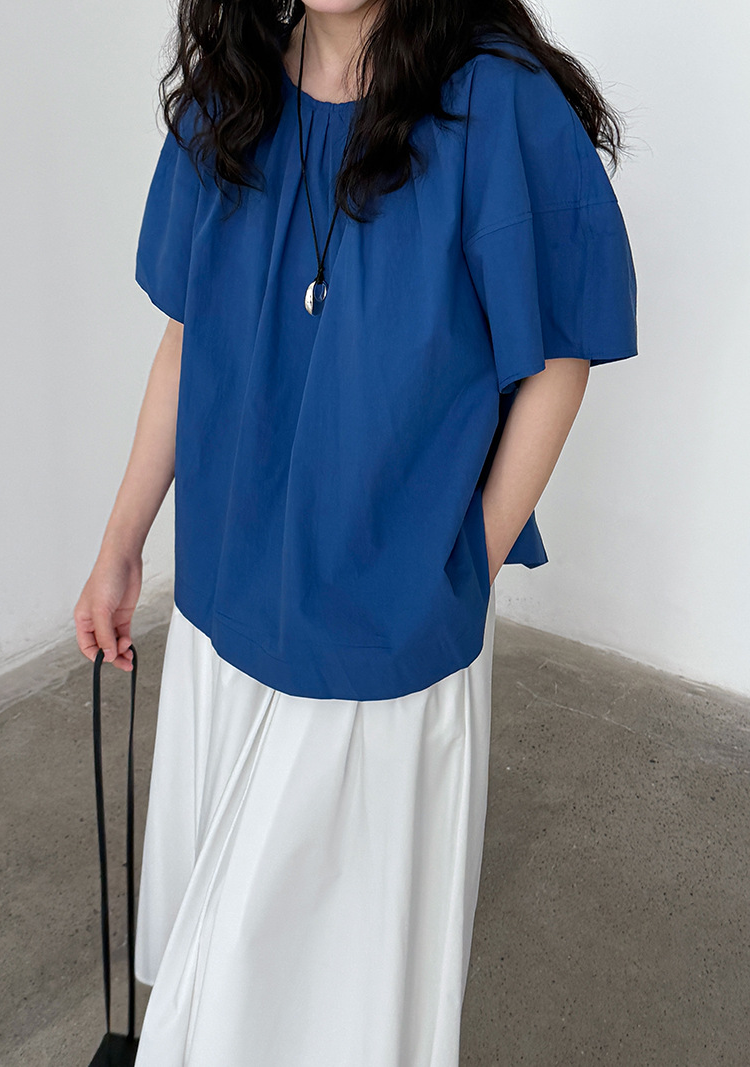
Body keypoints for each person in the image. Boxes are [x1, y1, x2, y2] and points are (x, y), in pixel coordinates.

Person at [74, 0, 638, 1063]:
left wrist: (460, 562)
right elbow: (187, 340)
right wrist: (121, 545)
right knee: (227, 967)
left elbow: (563, 351)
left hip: (385, 628)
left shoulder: (495, 100)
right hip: (228, 601)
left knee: (322, 998)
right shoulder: (233, 90)